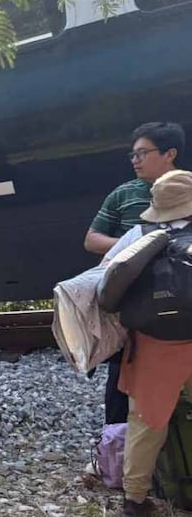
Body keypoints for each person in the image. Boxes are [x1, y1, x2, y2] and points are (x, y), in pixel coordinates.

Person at [102, 169, 192, 516]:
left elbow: (106, 283)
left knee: (146, 422)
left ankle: (135, 500)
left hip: (154, 344)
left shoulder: (138, 235)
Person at [83, 122, 184, 427]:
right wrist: (137, 246)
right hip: (137, 303)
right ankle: (114, 447)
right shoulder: (123, 194)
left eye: (142, 153)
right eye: (133, 154)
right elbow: (91, 239)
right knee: (121, 376)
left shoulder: (186, 188)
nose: (135, 160)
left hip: (183, 297)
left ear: (170, 154)